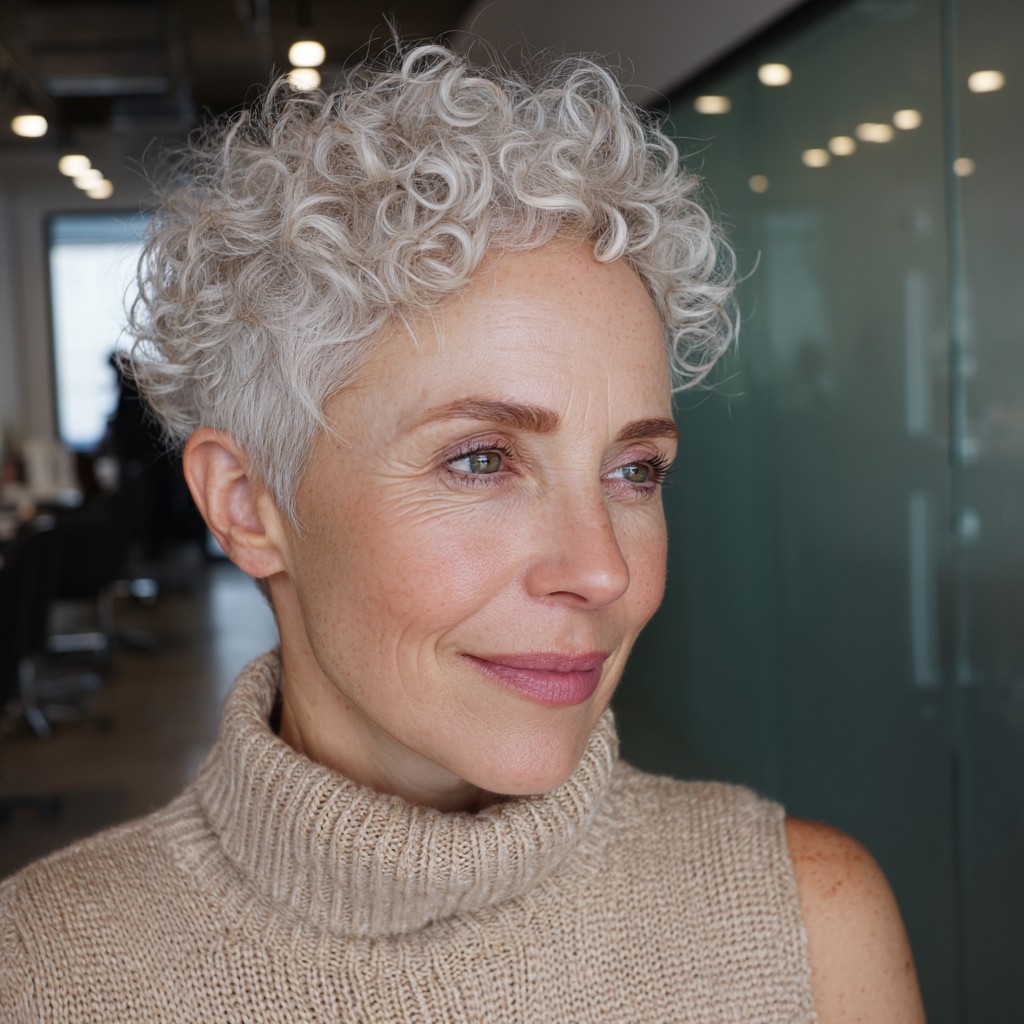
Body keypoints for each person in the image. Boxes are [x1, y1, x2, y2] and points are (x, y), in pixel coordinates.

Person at [0, 43, 924, 1022]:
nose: (600, 568)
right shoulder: (42, 973)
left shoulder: (805, 929)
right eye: (481, 459)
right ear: (245, 501)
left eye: (634, 470)